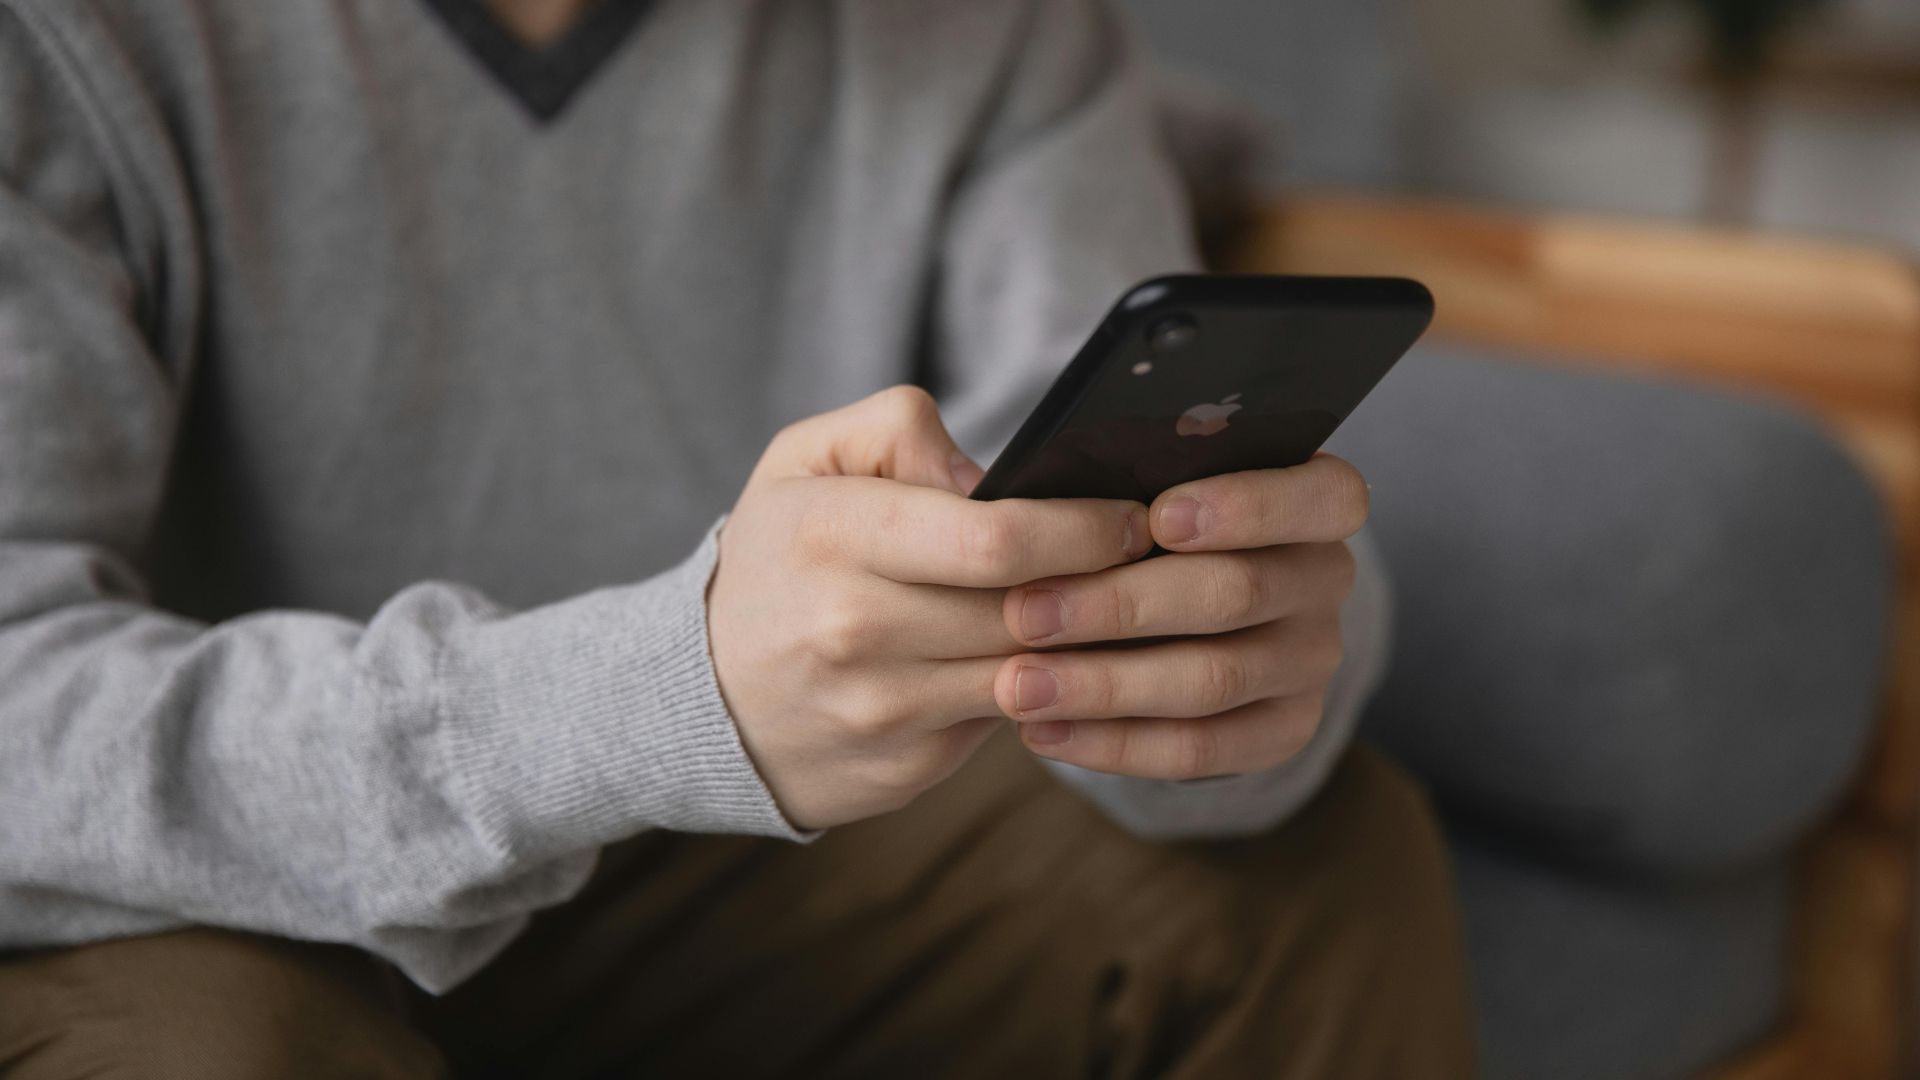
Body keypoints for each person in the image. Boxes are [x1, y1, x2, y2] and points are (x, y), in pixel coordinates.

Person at [0, 0, 1474, 1075]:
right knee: (231, 1056)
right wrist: (661, 696)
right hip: (194, 896)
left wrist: (1239, 685)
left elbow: (1114, 515)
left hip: (708, 876)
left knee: (1326, 869)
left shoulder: (998, 39)